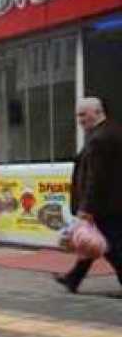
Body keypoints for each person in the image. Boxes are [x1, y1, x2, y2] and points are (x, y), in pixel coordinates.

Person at [55, 97, 122, 294]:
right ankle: (73, 278)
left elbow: (96, 178)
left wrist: (86, 208)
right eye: (78, 115)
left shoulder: (100, 139)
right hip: (112, 202)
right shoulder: (110, 131)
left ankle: (73, 278)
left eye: (84, 114)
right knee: (91, 240)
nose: (80, 120)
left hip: (105, 205)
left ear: (98, 112)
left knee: (111, 247)